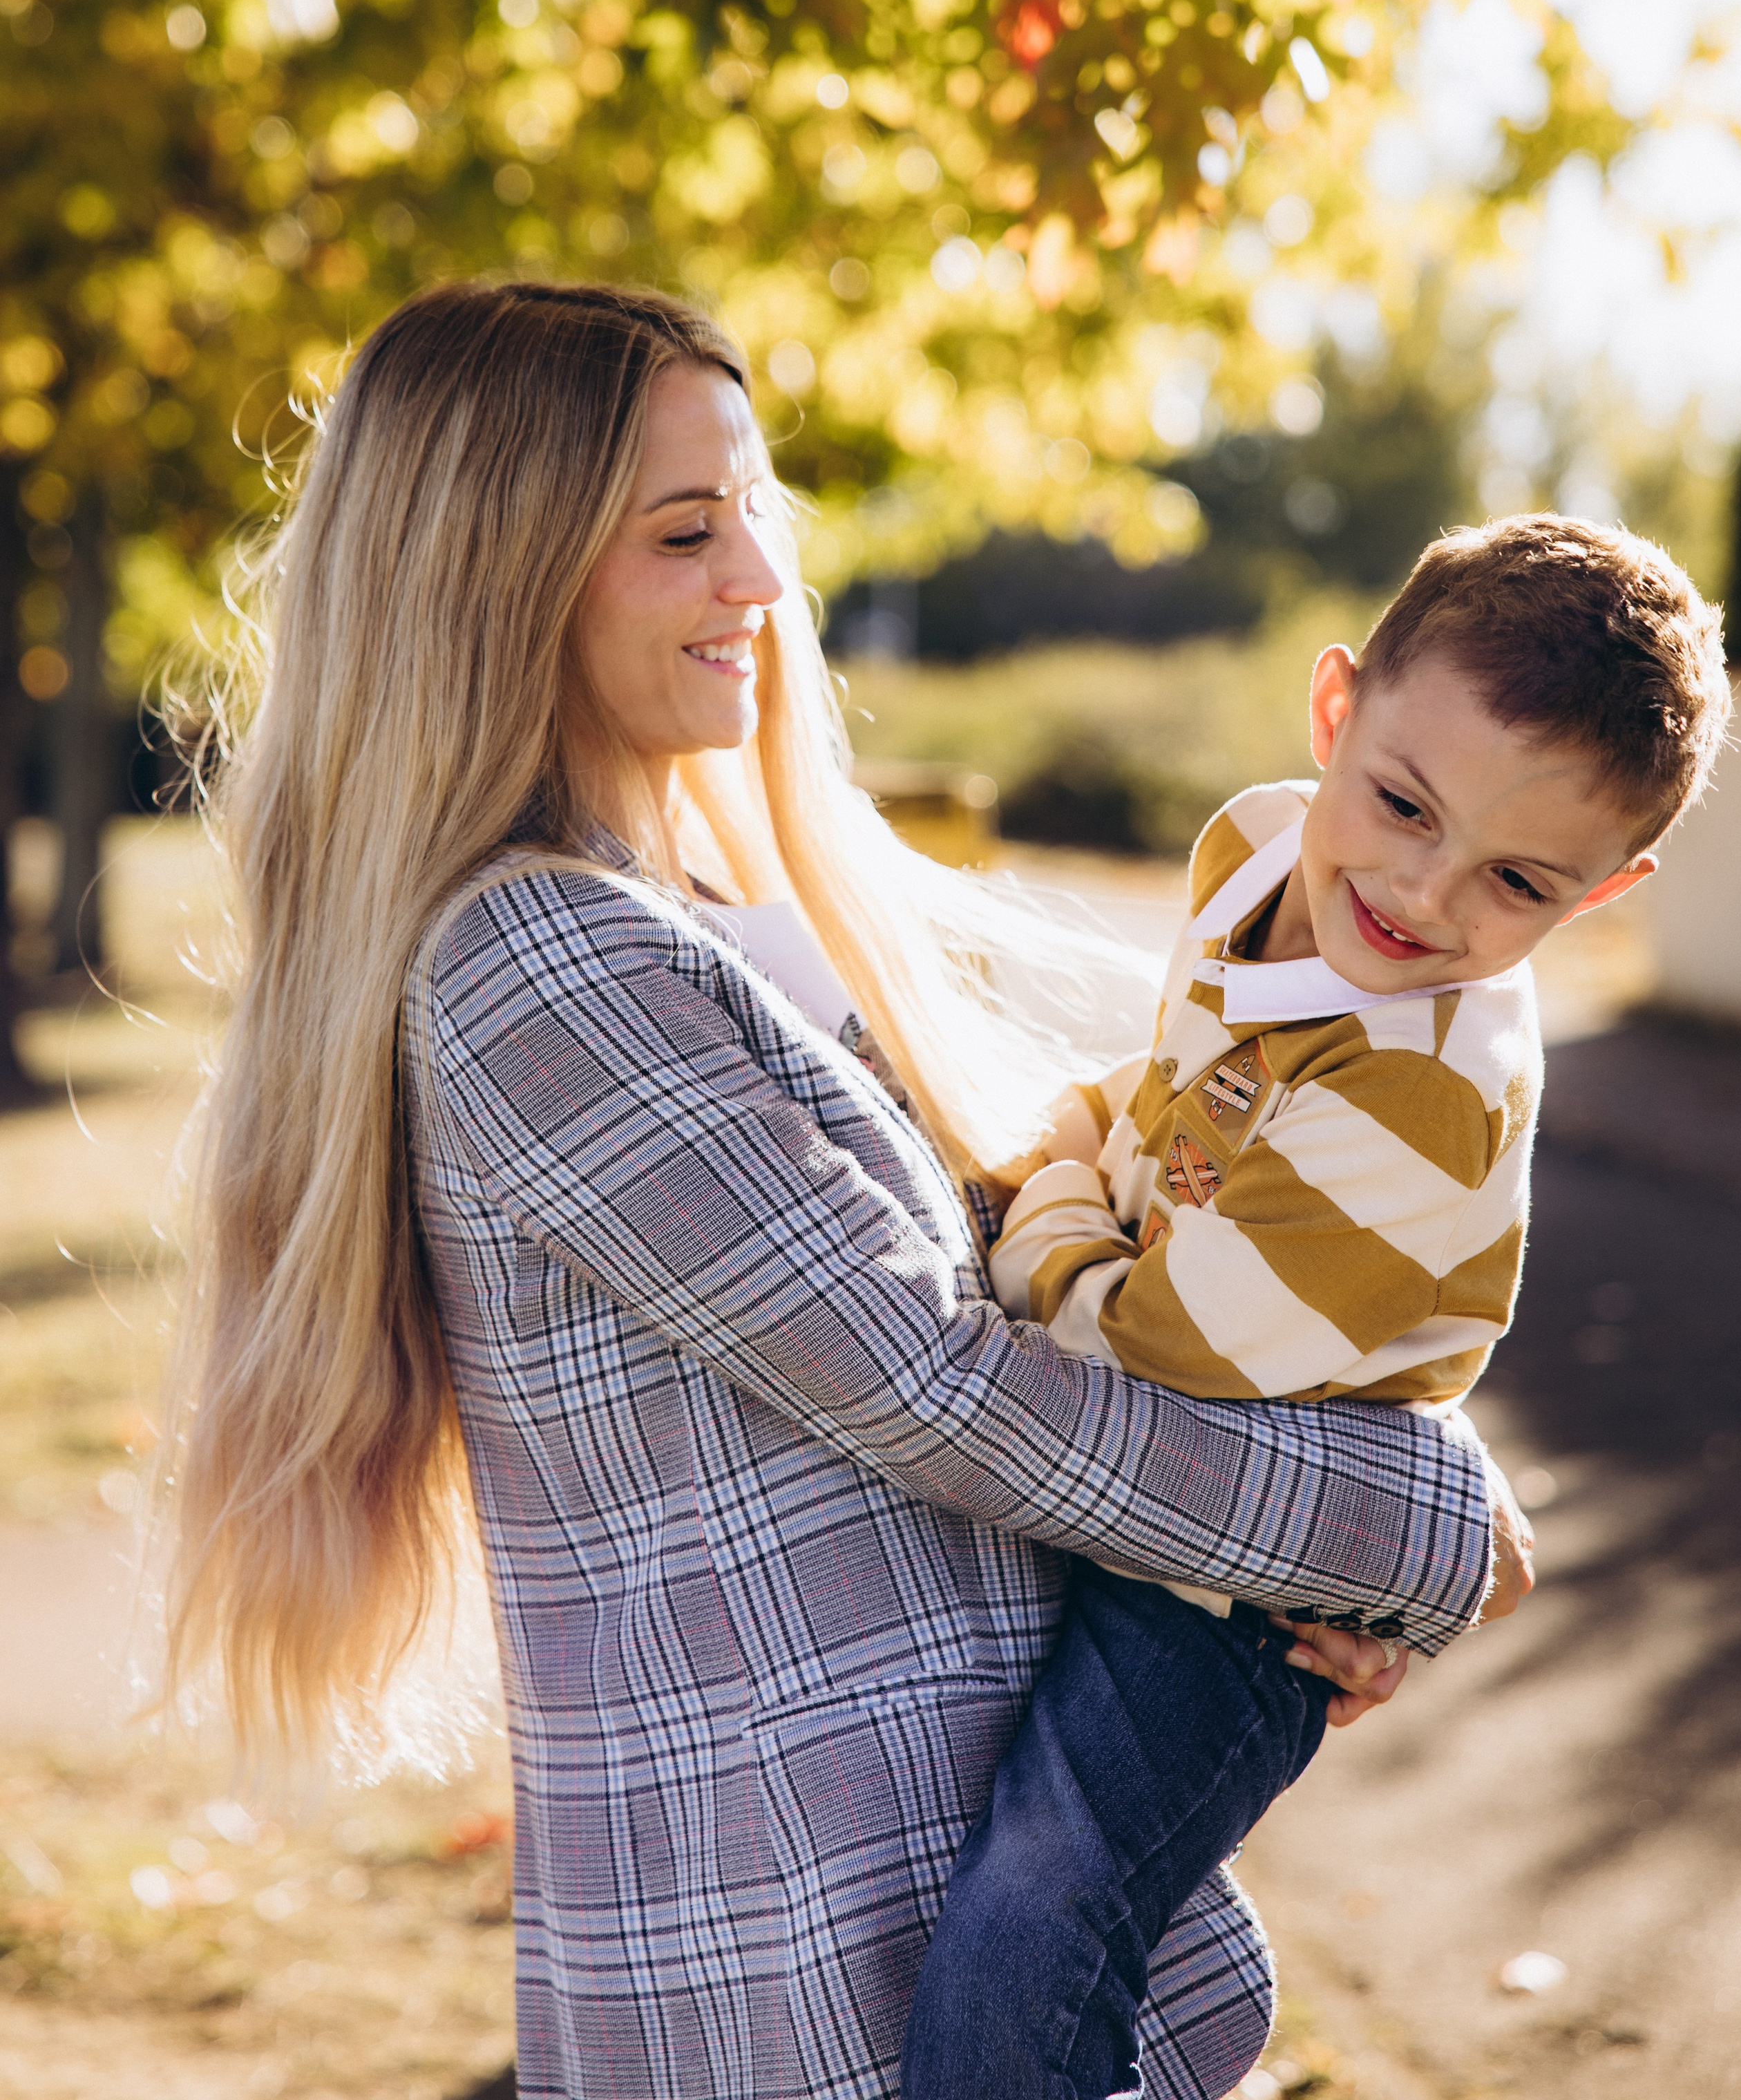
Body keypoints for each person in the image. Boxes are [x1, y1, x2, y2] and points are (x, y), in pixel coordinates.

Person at [159, 283, 1528, 2100]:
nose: (758, 582)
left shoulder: (706, 914)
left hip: (952, 1943)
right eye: (682, 532)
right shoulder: (529, 964)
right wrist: (1401, 1523)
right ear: (495, 575)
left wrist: (1260, 1614)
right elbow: (944, 1396)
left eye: (751, 517)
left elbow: (1025, 1341)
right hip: (798, 1978)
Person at [902, 516, 1731, 2100]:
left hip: (1244, 1590)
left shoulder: (1422, 1097)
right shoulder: (1254, 852)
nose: (1418, 895)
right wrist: (1087, 1159)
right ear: (1331, 713)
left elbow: (1134, 1350)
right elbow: (1158, 1103)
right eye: (1400, 804)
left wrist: (1046, 1179)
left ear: (1605, 893)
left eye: (1514, 881)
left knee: (1036, 1908)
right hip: (1147, 1455)